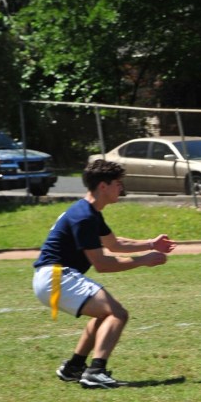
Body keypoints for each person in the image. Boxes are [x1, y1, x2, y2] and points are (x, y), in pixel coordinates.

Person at [32, 159, 176, 389]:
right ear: (103, 186)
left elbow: (115, 244)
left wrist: (151, 244)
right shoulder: (84, 216)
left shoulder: (89, 212)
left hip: (53, 278)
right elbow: (102, 264)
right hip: (57, 277)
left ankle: (74, 367)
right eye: (118, 183)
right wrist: (143, 261)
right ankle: (96, 372)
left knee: (104, 315)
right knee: (117, 314)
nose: (122, 188)